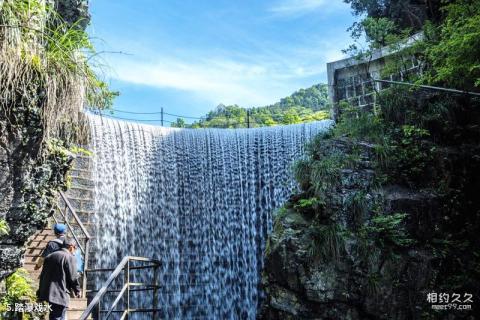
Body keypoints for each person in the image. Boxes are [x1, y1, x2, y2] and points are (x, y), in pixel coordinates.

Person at [37, 238, 80, 320]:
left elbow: (42, 276)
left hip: (48, 293)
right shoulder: (69, 257)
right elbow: (73, 277)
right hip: (60, 294)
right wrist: (77, 290)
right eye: (75, 248)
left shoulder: (50, 256)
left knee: (53, 316)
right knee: (58, 317)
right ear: (71, 247)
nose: (75, 250)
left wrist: (40, 292)